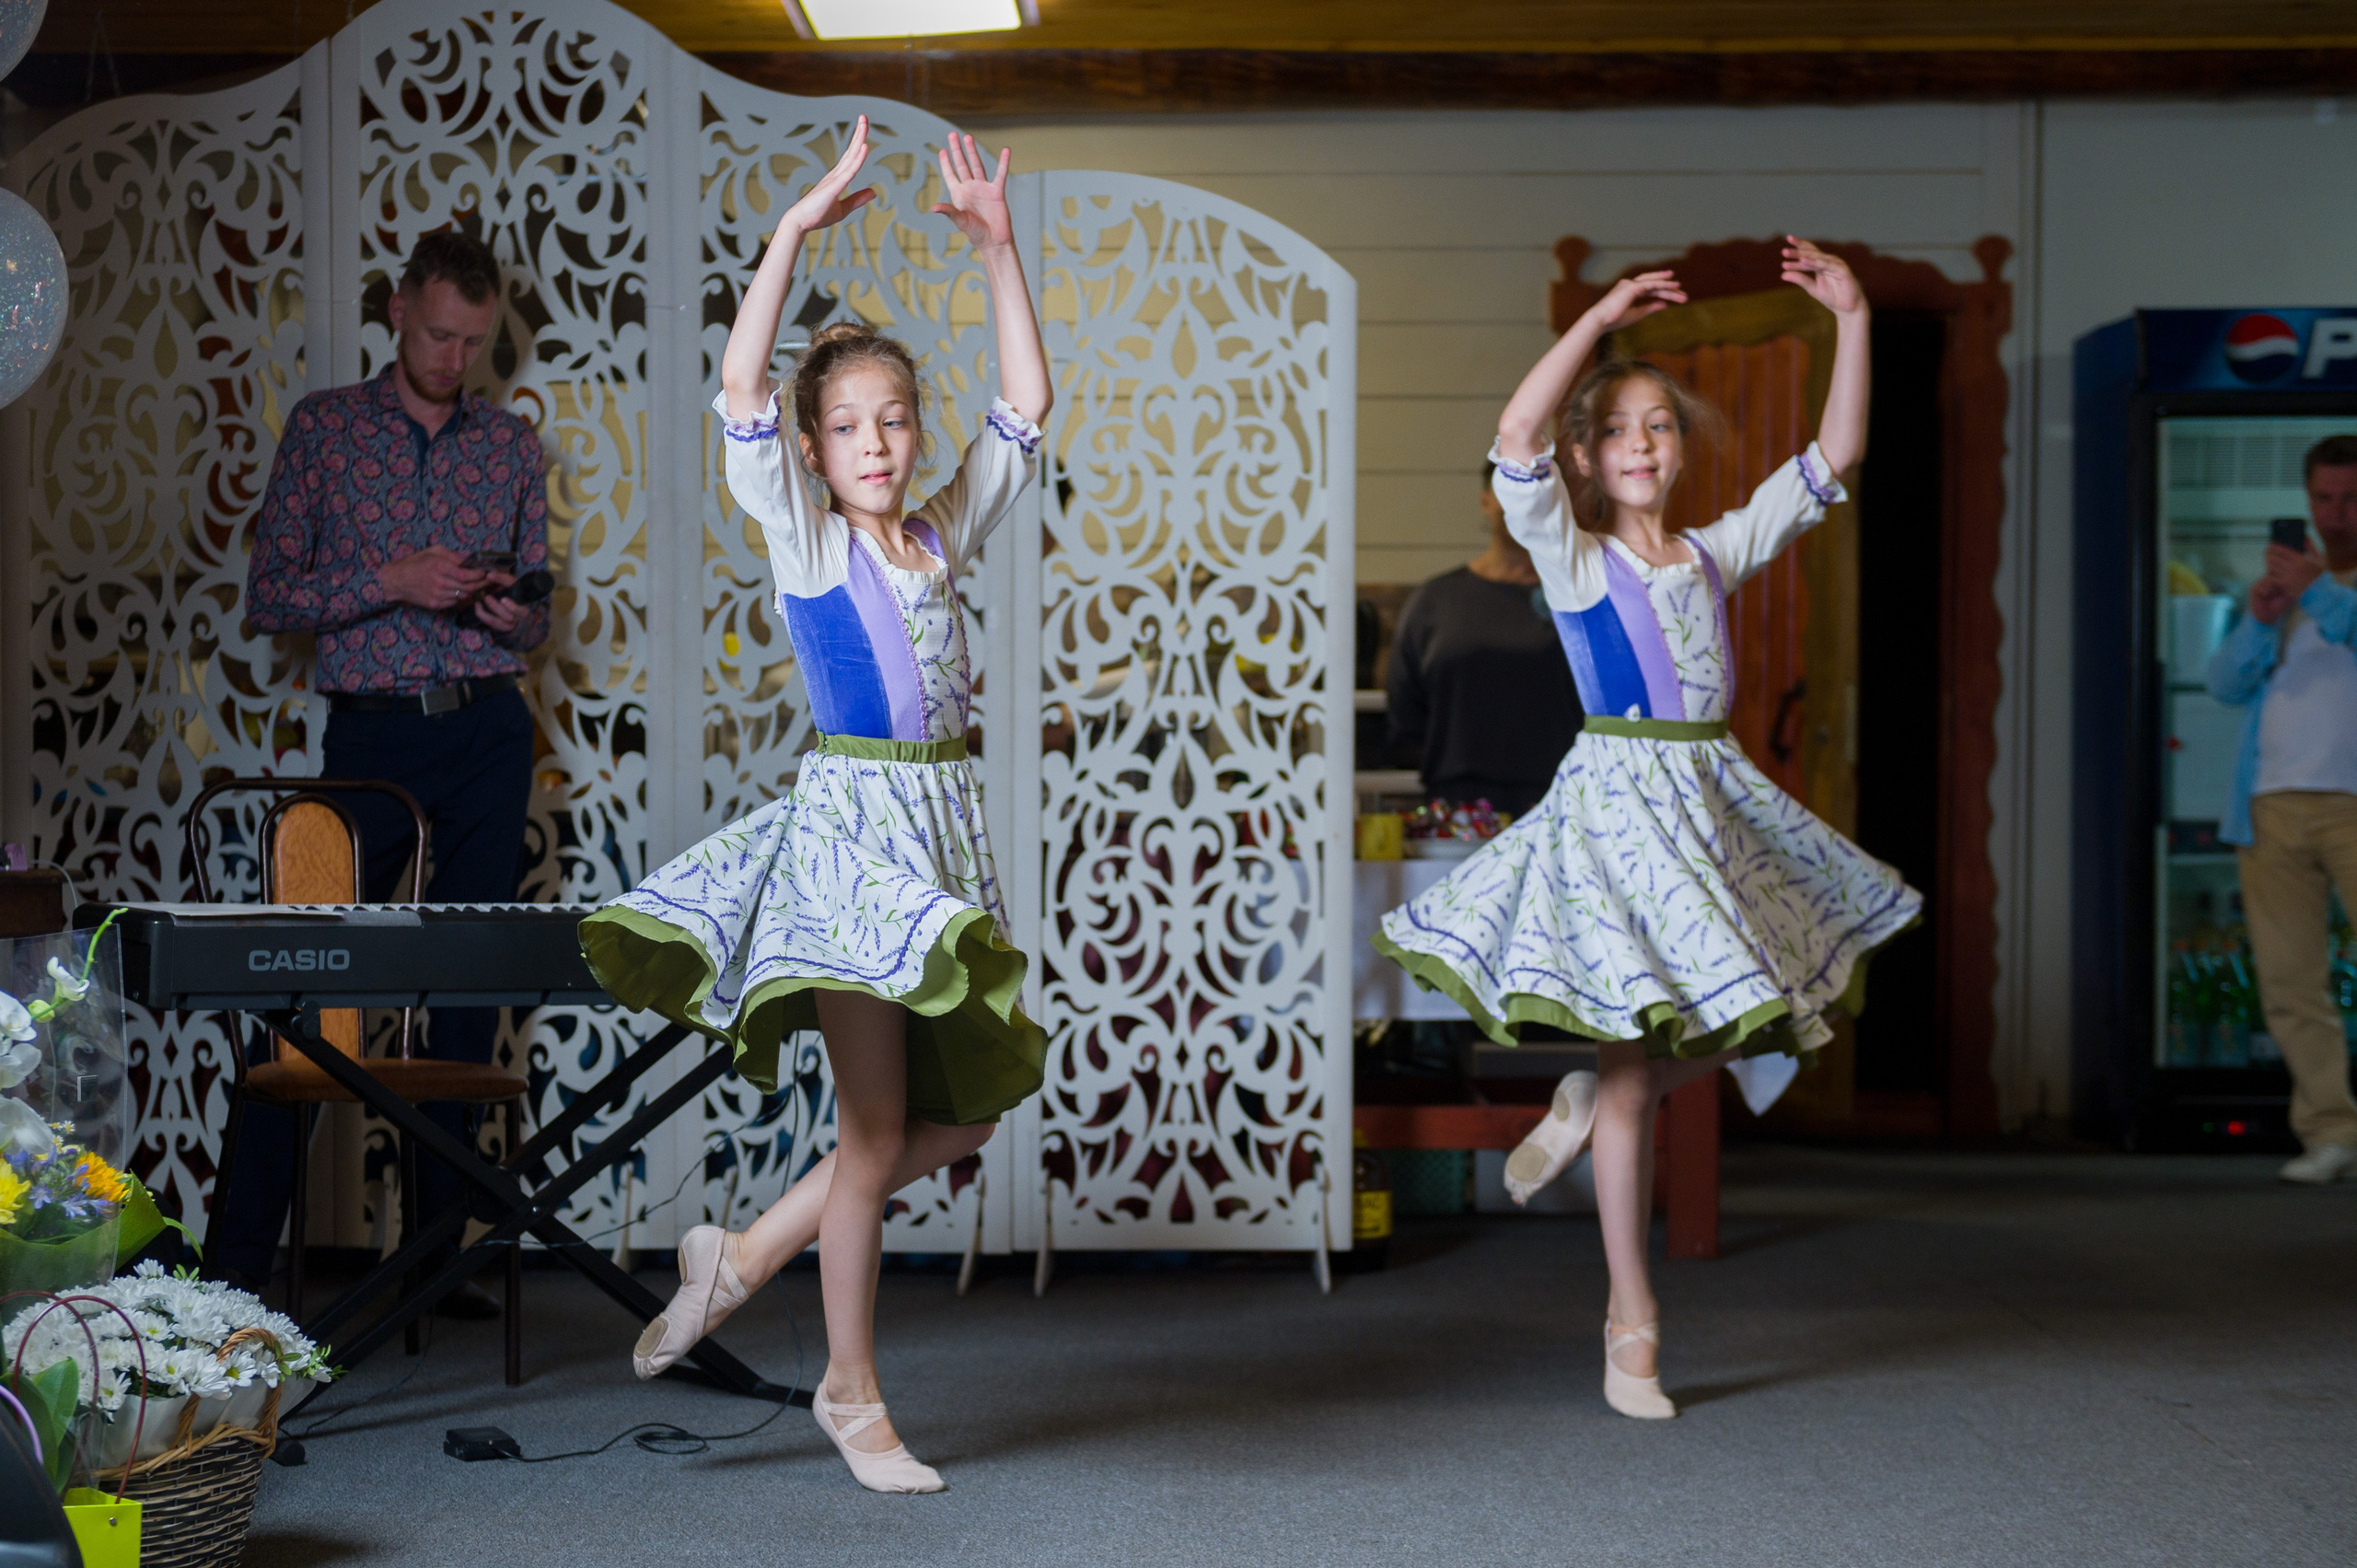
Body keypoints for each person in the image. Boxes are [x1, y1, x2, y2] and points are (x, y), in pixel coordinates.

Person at [578, 122, 1050, 1493]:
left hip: (940, 839)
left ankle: (744, 1252)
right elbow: (739, 384)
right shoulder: (808, 536)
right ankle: (849, 1387)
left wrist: (998, 251)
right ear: (812, 447)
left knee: (952, 1119)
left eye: (893, 418)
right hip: (852, 845)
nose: (875, 442)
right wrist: (791, 232)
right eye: (845, 425)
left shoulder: (940, 532)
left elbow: (1027, 405)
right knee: (875, 1133)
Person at [1373, 241, 1921, 1419]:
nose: (1640, 443)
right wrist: (1599, 322)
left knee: (1773, 997)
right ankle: (1632, 1318)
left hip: (1709, 798)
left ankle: (1587, 1102)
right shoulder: (1572, 558)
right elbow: (1514, 433)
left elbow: (1835, 456)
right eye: (1617, 428)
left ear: (1678, 448)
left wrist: (1853, 318)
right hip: (1619, 811)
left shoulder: (1714, 551)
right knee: (1638, 1066)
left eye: (1658, 426)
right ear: (1586, 456)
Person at [234, 229, 547, 1317]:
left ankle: (435, 1258)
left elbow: (537, 610)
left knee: (463, 992)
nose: (454, 357)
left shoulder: (510, 444)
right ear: (399, 308)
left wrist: (508, 610)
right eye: (439, 333)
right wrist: (392, 579)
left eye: (473, 342)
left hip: (488, 730)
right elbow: (270, 597)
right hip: (369, 744)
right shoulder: (323, 428)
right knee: (312, 984)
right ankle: (233, 1272)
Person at [2204, 435, 2357, 1185]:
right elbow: (2225, 684)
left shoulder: (2321, 588)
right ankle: (2332, 1132)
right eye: (2323, 498)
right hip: (2271, 804)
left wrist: (2317, 590)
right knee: (2292, 982)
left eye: (2351, 499)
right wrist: (2261, 617)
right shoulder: (2287, 588)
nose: (2335, 513)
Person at [1386, 465, 1584, 817]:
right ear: (1485, 500)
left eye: (1537, 493)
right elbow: (1405, 711)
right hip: (1459, 808)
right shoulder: (1436, 600)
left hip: (1563, 801)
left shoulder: (1581, 598)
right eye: (1510, 491)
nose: (1523, 505)